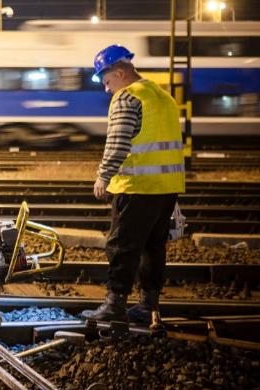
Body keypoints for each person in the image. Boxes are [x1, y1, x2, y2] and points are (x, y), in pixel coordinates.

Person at [81, 45, 186, 323]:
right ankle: (148, 306)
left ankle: (115, 305)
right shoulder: (163, 97)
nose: (106, 89)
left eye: (106, 82)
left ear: (119, 73)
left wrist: (103, 176)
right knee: (154, 247)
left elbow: (118, 143)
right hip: (167, 188)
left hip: (136, 186)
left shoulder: (127, 98)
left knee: (122, 246)